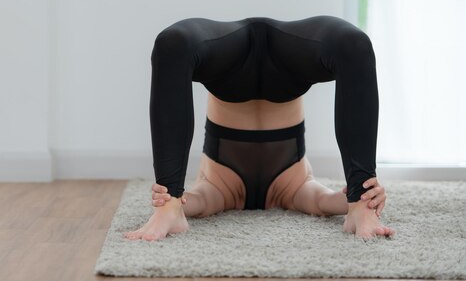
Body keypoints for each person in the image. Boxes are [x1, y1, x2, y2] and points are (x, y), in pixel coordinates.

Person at [123, 15, 395, 241]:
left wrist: (171, 197)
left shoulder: (219, 191)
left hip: (230, 75)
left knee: (173, 44)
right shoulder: (294, 190)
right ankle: (361, 206)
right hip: (286, 74)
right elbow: (324, 203)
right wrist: (357, 196)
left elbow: (197, 203)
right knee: (353, 44)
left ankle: (169, 211)